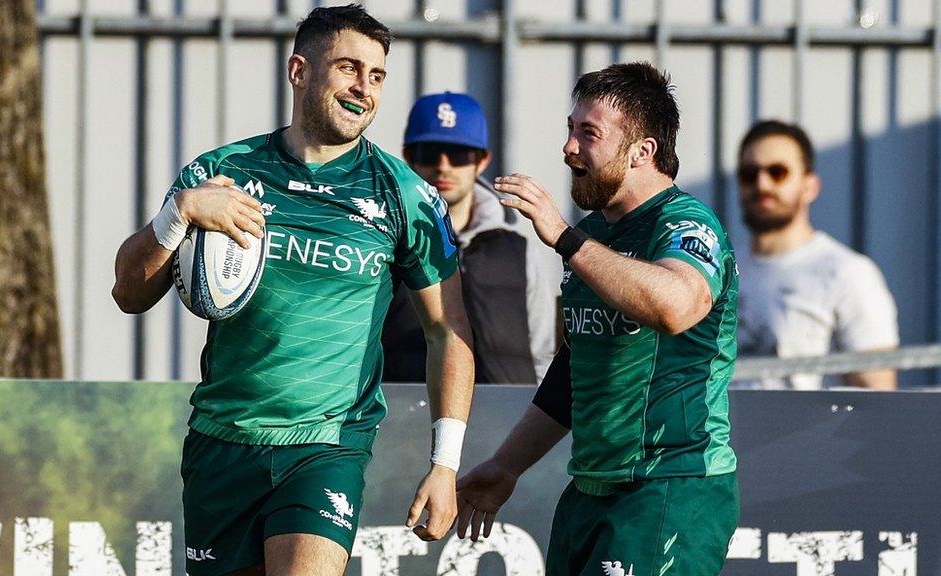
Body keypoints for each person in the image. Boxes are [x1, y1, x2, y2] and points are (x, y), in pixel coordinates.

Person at [111, 5, 475, 575]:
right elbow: (128, 293)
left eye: (377, 76)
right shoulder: (222, 171)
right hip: (222, 441)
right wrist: (178, 214)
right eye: (349, 68)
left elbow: (448, 332)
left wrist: (445, 464)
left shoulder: (405, 195)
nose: (364, 89)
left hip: (326, 446)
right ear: (299, 71)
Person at [454, 62, 739, 576]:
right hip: (589, 490)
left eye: (588, 133)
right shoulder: (595, 237)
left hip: (669, 488)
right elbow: (572, 372)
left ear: (642, 152)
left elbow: (675, 306)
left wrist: (565, 239)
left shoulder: (687, 224)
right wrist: (505, 467)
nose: (568, 147)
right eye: (569, 129)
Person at [381, 92, 559, 384]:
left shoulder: (517, 249)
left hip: (506, 420)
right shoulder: (385, 243)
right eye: (429, 152)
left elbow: (541, 352)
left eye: (459, 154)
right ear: (409, 157)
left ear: (482, 160)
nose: (443, 166)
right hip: (406, 419)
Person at [733, 120, 899, 390]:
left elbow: (877, 394)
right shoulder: (721, 270)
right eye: (749, 174)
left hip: (808, 433)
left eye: (778, 172)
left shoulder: (848, 273)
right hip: (727, 432)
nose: (762, 184)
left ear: (810, 186)